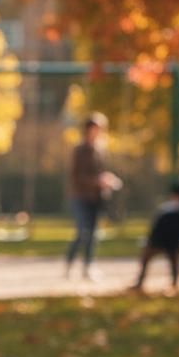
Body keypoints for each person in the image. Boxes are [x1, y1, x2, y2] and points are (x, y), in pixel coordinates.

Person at [65, 112, 122, 279]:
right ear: (88, 129)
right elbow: (76, 176)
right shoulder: (80, 150)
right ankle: (70, 263)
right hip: (81, 196)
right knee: (82, 231)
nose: (97, 132)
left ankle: (88, 266)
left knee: (93, 233)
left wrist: (107, 179)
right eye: (95, 128)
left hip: (97, 197)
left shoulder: (101, 149)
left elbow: (101, 172)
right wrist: (96, 181)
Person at [131, 182, 179, 292]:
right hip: (175, 242)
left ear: (175, 195)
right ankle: (174, 283)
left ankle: (139, 283)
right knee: (172, 253)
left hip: (160, 242)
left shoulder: (168, 209)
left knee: (147, 253)